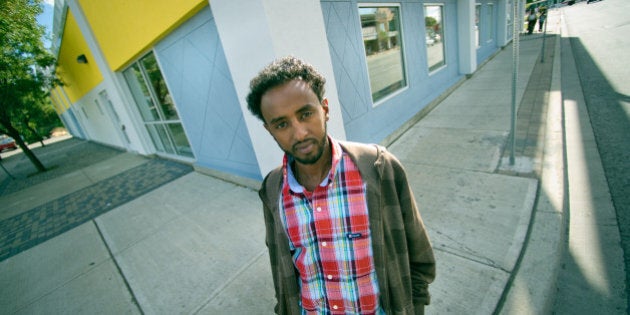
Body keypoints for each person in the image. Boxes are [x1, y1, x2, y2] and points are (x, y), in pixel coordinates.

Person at [246, 56, 436, 314]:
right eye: (282, 124)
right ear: (269, 130)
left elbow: (419, 256)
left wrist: (413, 308)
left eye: (306, 114)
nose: (299, 132)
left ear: (325, 109)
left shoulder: (378, 168)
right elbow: (280, 269)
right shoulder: (272, 189)